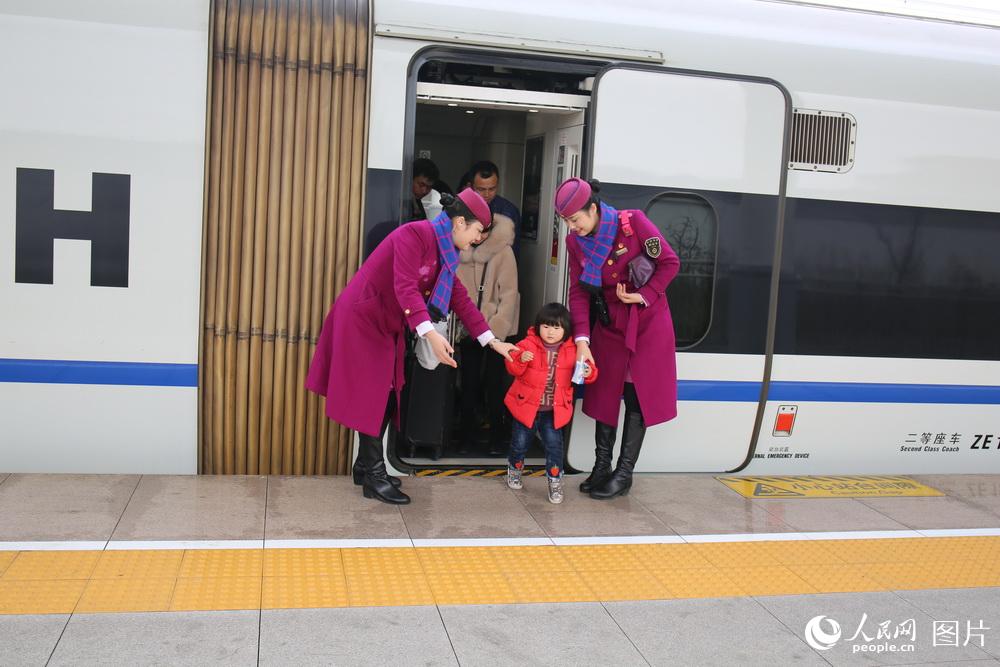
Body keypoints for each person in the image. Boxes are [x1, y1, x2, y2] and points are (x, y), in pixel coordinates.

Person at [306, 188, 519, 505]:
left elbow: (459, 298)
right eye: (477, 231)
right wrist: (431, 335)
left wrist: (492, 341)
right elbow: (404, 287)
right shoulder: (415, 235)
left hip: (385, 324)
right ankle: (374, 477)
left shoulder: (445, 252)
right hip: (362, 320)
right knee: (373, 397)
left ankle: (366, 466)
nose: (478, 239)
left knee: (389, 394)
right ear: (459, 223)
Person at [555, 178, 680, 499]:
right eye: (567, 222)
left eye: (576, 219)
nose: (573, 227)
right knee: (605, 393)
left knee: (637, 395)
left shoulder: (632, 223)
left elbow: (670, 262)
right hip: (609, 324)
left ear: (593, 209)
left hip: (647, 323)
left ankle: (624, 474)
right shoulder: (574, 243)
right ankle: (601, 467)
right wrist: (582, 337)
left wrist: (644, 296)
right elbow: (579, 292)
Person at [504, 303, 598, 504]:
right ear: (538, 327)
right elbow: (513, 367)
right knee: (519, 444)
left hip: (554, 411)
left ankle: (555, 481)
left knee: (554, 447)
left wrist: (589, 373)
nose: (550, 332)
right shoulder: (527, 345)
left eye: (556, 327)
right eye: (546, 326)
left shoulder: (573, 350)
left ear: (566, 330)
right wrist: (520, 358)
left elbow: (586, 371)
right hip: (527, 407)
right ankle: (514, 470)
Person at [456, 211, 520, 456]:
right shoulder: (460, 248)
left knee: (495, 386)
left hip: (496, 332)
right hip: (468, 328)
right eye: (478, 230)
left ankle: (498, 438)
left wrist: (495, 333)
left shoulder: (503, 251)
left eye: (485, 230)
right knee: (468, 383)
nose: (480, 236)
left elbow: (509, 295)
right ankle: (465, 437)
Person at [462, 160, 522, 257]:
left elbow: (513, 254)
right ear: (471, 187)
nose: (487, 194)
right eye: (481, 189)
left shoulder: (509, 211)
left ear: (497, 185)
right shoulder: (460, 209)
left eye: (492, 189)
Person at [407, 158, 440, 222]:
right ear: (410, 179)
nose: (424, 191)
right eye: (421, 185)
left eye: (429, 187)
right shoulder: (402, 204)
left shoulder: (417, 203)